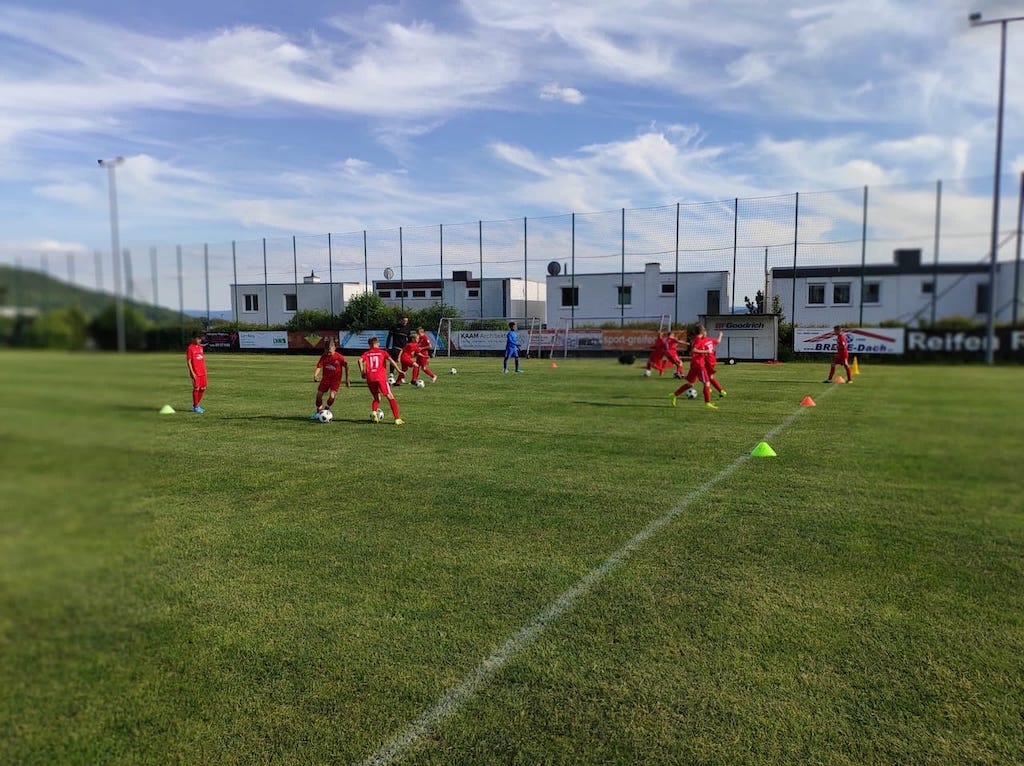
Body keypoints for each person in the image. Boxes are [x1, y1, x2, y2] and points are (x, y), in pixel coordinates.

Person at [358, 336, 405, 424]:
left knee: (377, 398)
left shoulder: (367, 353)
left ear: (369, 345)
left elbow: (360, 360)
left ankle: (374, 412)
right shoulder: (383, 352)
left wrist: (362, 372)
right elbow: (391, 361)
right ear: (377, 343)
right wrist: (398, 370)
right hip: (380, 378)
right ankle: (397, 419)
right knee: (390, 397)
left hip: (370, 378)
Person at [670, 325, 717, 409]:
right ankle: (708, 403)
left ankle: (674, 395)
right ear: (702, 331)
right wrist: (705, 351)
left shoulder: (697, 339)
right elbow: (694, 350)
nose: (705, 332)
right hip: (699, 365)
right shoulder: (698, 339)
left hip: (695, 364)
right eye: (705, 330)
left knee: (690, 384)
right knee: (707, 383)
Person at [311, 338, 349, 418]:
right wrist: (315, 375)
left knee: (332, 396)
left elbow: (346, 366)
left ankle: (326, 409)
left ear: (334, 348)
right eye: (326, 351)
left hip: (335, 380)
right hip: (325, 379)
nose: (328, 353)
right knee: (319, 395)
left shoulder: (339, 357)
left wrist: (347, 379)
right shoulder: (324, 356)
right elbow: (319, 366)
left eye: (330, 351)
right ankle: (319, 411)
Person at [186, 332, 207, 413]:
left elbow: (201, 359)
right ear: (193, 339)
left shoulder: (200, 347)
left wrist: (205, 369)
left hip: (203, 372)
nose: (199, 340)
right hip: (196, 372)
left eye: (200, 339)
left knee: (203, 388)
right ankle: (196, 407)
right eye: (198, 339)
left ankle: (195, 405)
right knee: (196, 388)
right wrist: (192, 372)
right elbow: (189, 361)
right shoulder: (190, 348)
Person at [704, 329, 727, 398]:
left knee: (705, 377)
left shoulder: (701, 341)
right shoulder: (709, 340)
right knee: (707, 376)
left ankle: (713, 390)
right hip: (713, 360)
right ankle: (718, 390)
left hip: (708, 361)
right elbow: (718, 341)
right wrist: (720, 335)